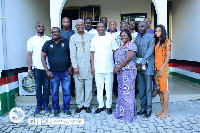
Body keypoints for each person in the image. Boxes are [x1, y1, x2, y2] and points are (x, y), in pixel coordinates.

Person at [41, 27, 72, 117]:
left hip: (66, 72)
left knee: (66, 92)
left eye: (56, 32)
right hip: (53, 73)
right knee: (54, 92)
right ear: (51, 34)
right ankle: (56, 109)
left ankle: (66, 109)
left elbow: (71, 55)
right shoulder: (47, 44)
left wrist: (70, 67)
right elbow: (42, 57)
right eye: (52, 32)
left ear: (60, 33)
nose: (54, 33)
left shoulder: (66, 42)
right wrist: (47, 70)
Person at [90, 22, 118, 115]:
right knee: (99, 88)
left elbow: (115, 52)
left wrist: (115, 64)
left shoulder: (110, 38)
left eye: (102, 27)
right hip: (98, 68)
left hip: (109, 67)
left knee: (109, 88)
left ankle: (108, 106)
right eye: (98, 27)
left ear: (105, 28)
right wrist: (93, 67)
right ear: (96, 29)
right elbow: (92, 54)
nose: (100, 28)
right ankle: (100, 106)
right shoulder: (94, 39)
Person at [27, 22, 51, 116]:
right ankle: (38, 106)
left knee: (46, 87)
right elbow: (29, 55)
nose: (41, 27)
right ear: (36, 28)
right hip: (36, 68)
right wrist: (29, 69)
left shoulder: (48, 39)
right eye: (39, 26)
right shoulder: (31, 40)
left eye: (42, 26)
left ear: (44, 28)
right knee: (37, 88)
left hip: (47, 68)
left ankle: (45, 106)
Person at [113, 29, 137, 122]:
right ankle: (122, 113)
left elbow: (128, 58)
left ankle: (129, 115)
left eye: (125, 35)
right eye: (121, 36)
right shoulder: (122, 46)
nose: (123, 37)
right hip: (121, 73)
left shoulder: (131, 45)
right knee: (122, 93)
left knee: (128, 93)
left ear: (129, 36)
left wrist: (118, 67)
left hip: (128, 72)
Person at [70, 19, 93, 113]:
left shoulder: (90, 36)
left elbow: (93, 52)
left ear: (84, 25)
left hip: (88, 66)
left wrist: (93, 66)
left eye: (81, 25)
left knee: (88, 87)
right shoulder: (73, 38)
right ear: (75, 27)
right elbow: (72, 53)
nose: (80, 27)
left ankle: (87, 105)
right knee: (78, 88)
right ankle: (79, 105)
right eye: (77, 25)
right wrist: (75, 66)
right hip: (78, 67)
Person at [134, 21, 155, 118]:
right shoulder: (137, 38)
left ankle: (149, 109)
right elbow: (133, 51)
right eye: (139, 26)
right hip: (138, 68)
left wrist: (141, 63)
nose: (140, 28)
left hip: (148, 67)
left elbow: (150, 51)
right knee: (141, 89)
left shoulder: (151, 37)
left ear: (146, 26)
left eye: (142, 26)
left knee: (148, 89)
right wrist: (136, 63)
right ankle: (142, 108)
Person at [154, 25, 171, 118]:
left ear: (163, 31)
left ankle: (165, 112)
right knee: (160, 91)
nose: (157, 32)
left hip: (163, 69)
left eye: (159, 31)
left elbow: (168, 57)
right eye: (156, 31)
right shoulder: (157, 42)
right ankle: (162, 110)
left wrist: (161, 69)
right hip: (156, 69)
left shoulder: (167, 42)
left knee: (164, 90)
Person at [60, 17, 76, 97]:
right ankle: (66, 91)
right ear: (62, 23)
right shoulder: (60, 32)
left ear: (70, 23)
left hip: (72, 54)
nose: (66, 23)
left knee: (71, 73)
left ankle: (72, 90)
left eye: (67, 22)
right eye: (64, 22)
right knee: (65, 73)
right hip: (63, 54)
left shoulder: (73, 32)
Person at [144, 18, 158, 97]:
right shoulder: (141, 33)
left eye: (147, 22)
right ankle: (148, 90)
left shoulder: (154, 32)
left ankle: (155, 88)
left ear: (150, 23)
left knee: (153, 73)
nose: (146, 23)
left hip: (154, 55)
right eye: (144, 22)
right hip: (145, 56)